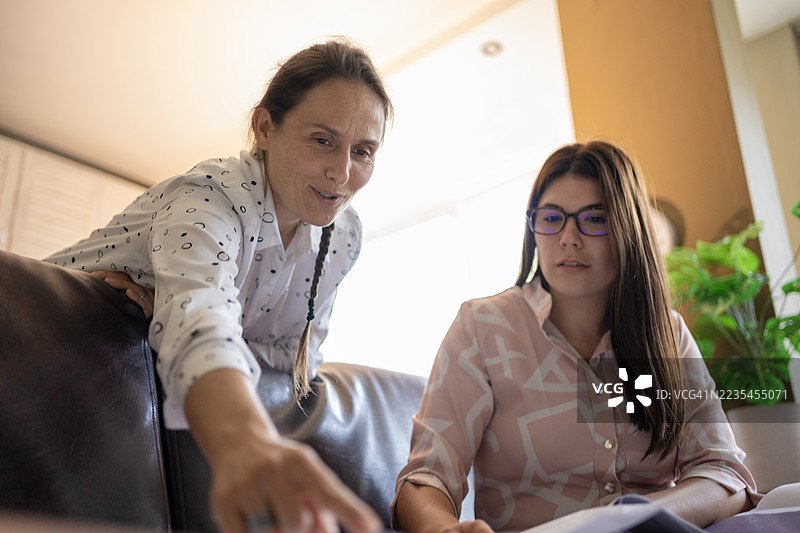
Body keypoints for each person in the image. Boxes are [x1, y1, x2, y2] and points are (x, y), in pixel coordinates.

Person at [46, 38, 391, 533]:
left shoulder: (342, 236)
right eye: (322, 140)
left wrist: (167, 323)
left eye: (363, 151)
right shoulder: (212, 195)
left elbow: (292, 361)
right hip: (35, 343)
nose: (342, 173)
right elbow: (200, 315)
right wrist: (245, 442)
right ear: (265, 128)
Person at [390, 140, 758, 532]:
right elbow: (426, 477)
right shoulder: (482, 328)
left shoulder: (669, 336)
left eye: (594, 219)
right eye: (551, 218)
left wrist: (633, 517)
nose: (568, 238)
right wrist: (443, 529)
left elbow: (725, 475)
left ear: (628, 230)